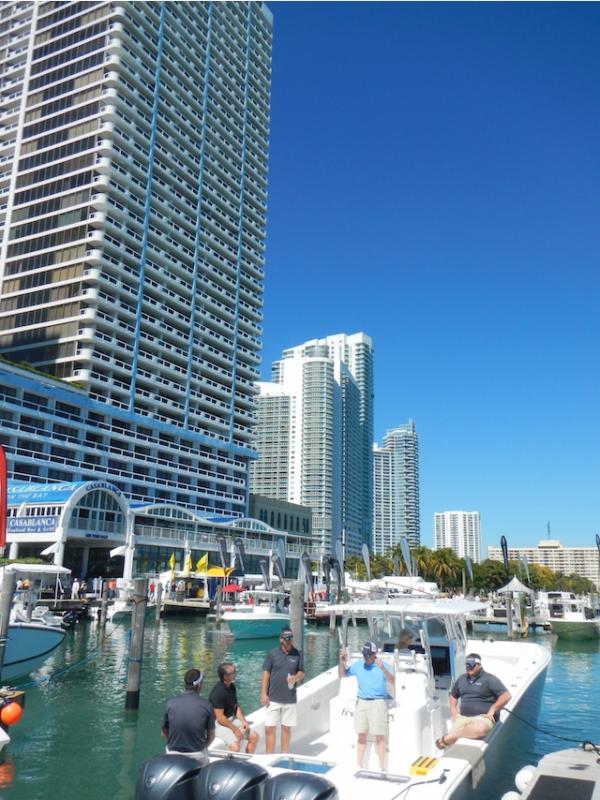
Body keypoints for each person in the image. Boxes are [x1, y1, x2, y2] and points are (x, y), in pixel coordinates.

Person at [435, 653, 511, 749]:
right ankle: (452, 737)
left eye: (472, 665)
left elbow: (506, 696)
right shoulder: (461, 679)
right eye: (467, 665)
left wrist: (493, 709)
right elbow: (453, 696)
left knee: (481, 728)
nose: (469, 667)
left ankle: (452, 736)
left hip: (483, 718)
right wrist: (453, 712)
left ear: (479, 665)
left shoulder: (490, 679)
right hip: (463, 718)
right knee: (450, 747)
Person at [338, 640, 395, 770]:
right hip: (362, 702)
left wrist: (383, 669)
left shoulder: (383, 665)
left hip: (378, 702)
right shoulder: (358, 665)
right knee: (361, 734)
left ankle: (382, 767)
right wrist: (341, 661)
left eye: (368, 655)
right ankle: (359, 765)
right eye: (364, 654)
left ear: (375, 654)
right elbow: (342, 675)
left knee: (379, 736)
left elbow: (392, 681)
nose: (366, 657)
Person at [260, 627, 304, 753]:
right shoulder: (272, 654)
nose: (289, 640)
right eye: (286, 638)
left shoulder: (298, 653)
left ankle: (283, 756)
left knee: (286, 729)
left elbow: (301, 672)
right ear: (281, 639)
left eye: (291, 638)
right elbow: (266, 673)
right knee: (269, 729)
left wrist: (296, 677)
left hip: (289, 698)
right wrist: (263, 693)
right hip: (273, 698)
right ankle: (269, 757)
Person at [161, 668, 215, 765]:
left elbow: (163, 732)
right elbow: (211, 736)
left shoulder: (170, 703)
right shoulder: (207, 706)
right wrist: (203, 746)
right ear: (199, 685)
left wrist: (174, 743)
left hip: (172, 753)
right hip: (197, 755)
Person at [209, 662, 258, 754]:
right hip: (217, 724)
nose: (235, 674)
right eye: (233, 673)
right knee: (235, 747)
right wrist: (235, 729)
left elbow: (236, 707)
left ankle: (247, 761)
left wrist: (243, 721)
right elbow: (220, 717)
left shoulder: (231, 687)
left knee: (254, 736)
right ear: (225, 677)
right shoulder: (218, 693)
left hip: (230, 720)